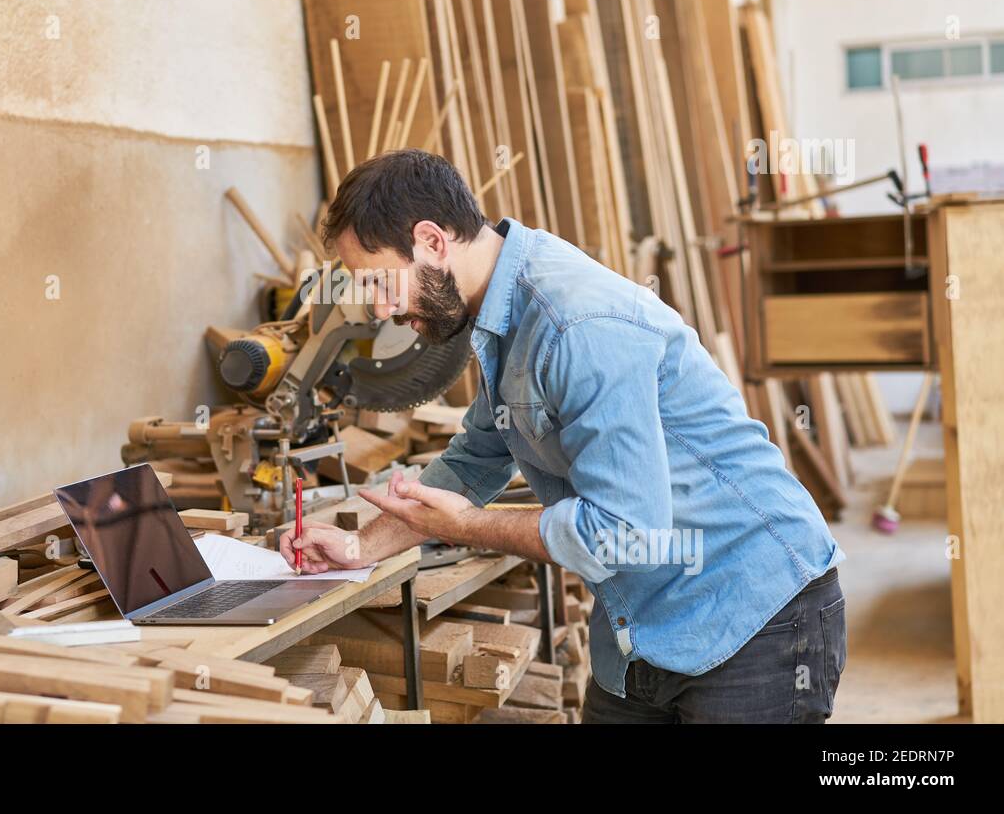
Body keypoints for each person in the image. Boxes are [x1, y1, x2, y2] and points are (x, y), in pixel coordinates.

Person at [279, 149, 846, 723]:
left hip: (754, 615)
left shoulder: (574, 325)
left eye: (379, 281)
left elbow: (624, 530)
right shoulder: (505, 313)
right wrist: (359, 548)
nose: (378, 309)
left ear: (430, 240)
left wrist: (467, 526)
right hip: (646, 626)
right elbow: (473, 459)